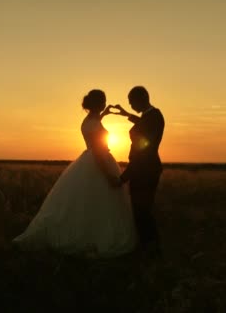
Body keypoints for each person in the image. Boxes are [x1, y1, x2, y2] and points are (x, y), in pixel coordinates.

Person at [12, 89, 137, 258]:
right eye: (103, 101)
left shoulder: (89, 120)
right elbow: (99, 153)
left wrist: (104, 114)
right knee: (99, 202)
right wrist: (108, 176)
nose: (105, 103)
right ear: (97, 103)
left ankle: (88, 235)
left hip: (89, 160)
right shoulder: (93, 123)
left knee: (87, 203)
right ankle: (94, 238)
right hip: (98, 162)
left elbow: (95, 127)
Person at [112, 86, 165, 258]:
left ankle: (152, 250)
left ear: (141, 98)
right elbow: (142, 124)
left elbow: (144, 152)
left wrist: (124, 177)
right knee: (140, 210)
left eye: (131, 102)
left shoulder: (154, 116)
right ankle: (149, 248)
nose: (131, 105)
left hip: (145, 170)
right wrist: (125, 113)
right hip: (144, 169)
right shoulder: (149, 116)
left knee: (142, 211)